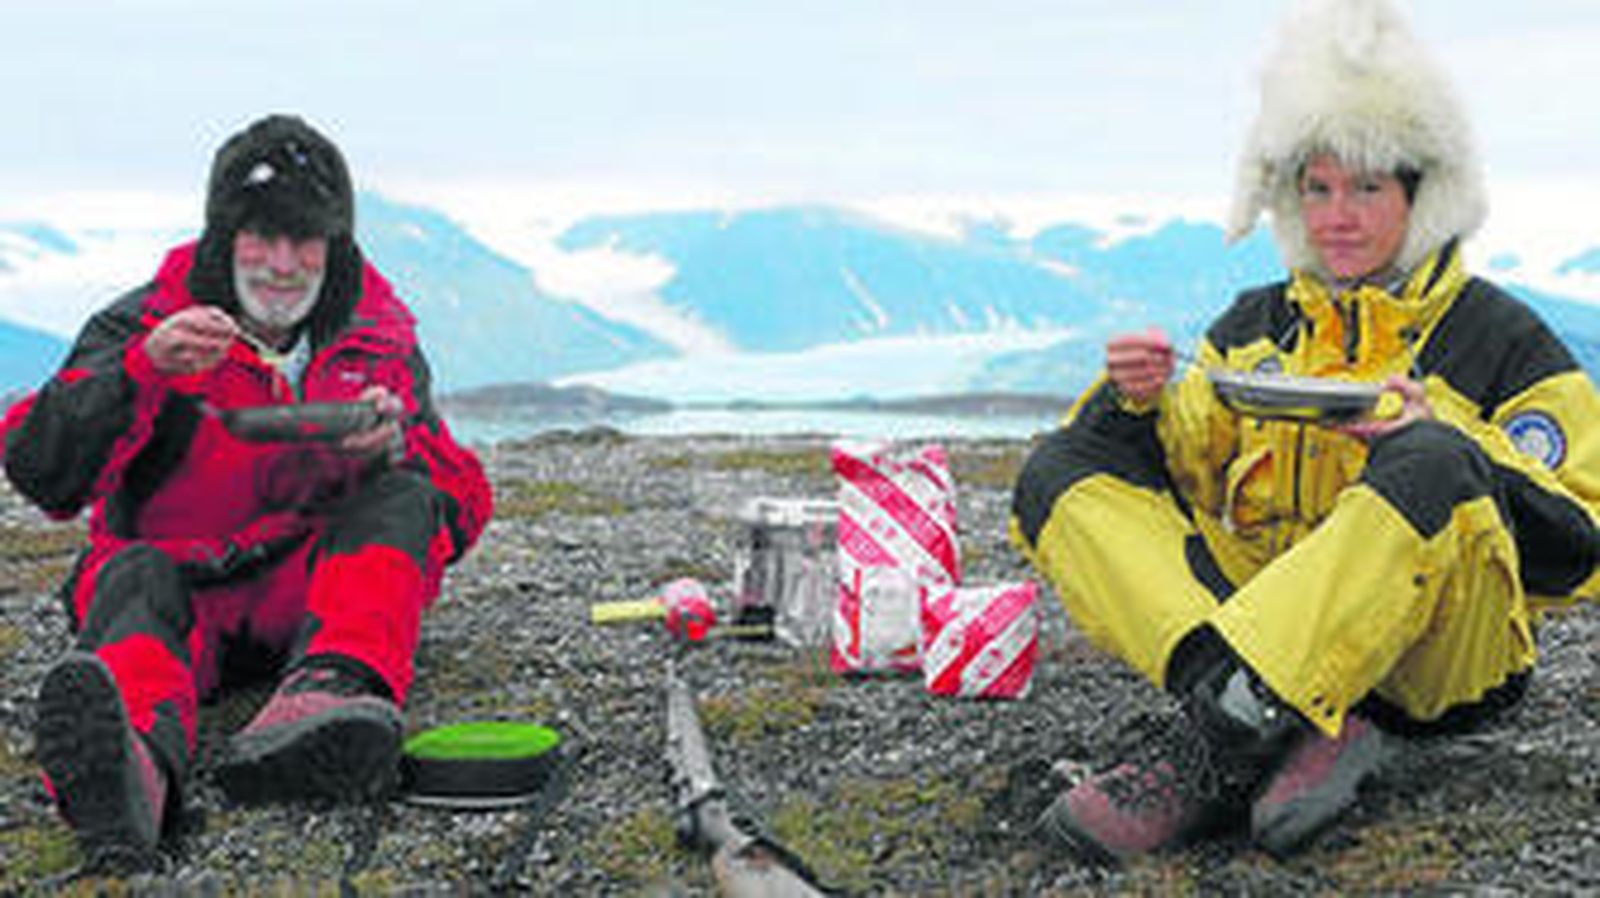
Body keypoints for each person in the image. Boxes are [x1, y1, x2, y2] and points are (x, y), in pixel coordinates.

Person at [1010, 0, 1599, 862]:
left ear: (1420, 194)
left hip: (1437, 668)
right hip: (1276, 635)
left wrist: (1456, 439)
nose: (1338, 215)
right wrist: (1134, 401)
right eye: (1317, 189)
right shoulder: (1255, 327)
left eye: (1366, 187)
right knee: (1066, 466)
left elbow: (1579, 542)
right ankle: (1265, 707)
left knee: (1431, 460)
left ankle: (1219, 742)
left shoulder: (1501, 338)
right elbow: (1182, 465)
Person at [1, 115, 492, 869]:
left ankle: (327, 699)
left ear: (338, 245)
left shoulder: (380, 337)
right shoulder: (145, 322)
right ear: (222, 237)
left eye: (306, 240)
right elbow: (41, 468)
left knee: (398, 497)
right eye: (261, 237)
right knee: (132, 576)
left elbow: (458, 507)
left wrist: (398, 449)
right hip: (182, 592)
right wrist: (141, 371)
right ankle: (129, 775)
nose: (283, 264)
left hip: (315, 597)